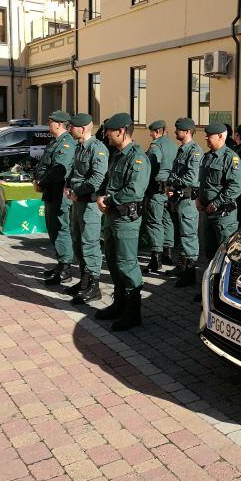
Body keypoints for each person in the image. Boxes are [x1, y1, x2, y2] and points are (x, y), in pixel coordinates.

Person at [94, 113, 150, 332]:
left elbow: (135, 190)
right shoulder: (116, 155)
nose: (106, 134)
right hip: (112, 217)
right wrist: (101, 195)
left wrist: (109, 199)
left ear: (121, 131)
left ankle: (133, 312)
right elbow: (108, 182)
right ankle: (119, 305)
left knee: (127, 264)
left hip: (126, 219)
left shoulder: (137, 158)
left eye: (109, 131)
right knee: (113, 261)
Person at [64, 113, 108, 305]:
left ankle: (93, 284)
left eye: (72, 127)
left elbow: (97, 179)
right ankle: (84, 280)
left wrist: (77, 192)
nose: (69, 130)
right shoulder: (79, 147)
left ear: (82, 129)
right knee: (77, 239)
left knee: (89, 243)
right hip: (77, 200)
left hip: (89, 203)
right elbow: (74, 171)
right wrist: (67, 185)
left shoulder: (97, 149)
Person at [34, 111, 75, 285]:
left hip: (58, 193)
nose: (48, 124)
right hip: (51, 192)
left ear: (59, 124)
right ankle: (60, 263)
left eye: (50, 122)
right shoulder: (55, 141)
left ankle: (66, 269)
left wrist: (41, 182)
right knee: (53, 229)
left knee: (60, 229)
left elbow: (59, 170)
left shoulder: (66, 144)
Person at [198, 122, 241, 263]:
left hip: (223, 216)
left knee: (227, 254)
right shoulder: (207, 157)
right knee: (210, 252)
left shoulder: (231, 158)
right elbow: (203, 183)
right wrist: (198, 198)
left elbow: (235, 187)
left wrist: (217, 203)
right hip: (207, 213)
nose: (206, 138)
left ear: (220, 136)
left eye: (209, 136)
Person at [166, 118, 202, 288]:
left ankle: (190, 272)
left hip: (187, 200)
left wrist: (174, 181)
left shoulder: (194, 151)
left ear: (187, 131)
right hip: (178, 199)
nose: (175, 132)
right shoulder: (182, 150)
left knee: (189, 236)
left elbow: (191, 177)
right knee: (181, 234)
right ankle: (181, 266)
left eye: (178, 129)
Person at [143, 119, 177, 274]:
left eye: (151, 132)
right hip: (168, 188)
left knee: (154, 221)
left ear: (157, 132)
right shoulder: (172, 144)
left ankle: (155, 259)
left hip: (156, 188)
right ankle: (167, 254)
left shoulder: (155, 145)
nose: (150, 135)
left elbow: (152, 165)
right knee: (166, 219)